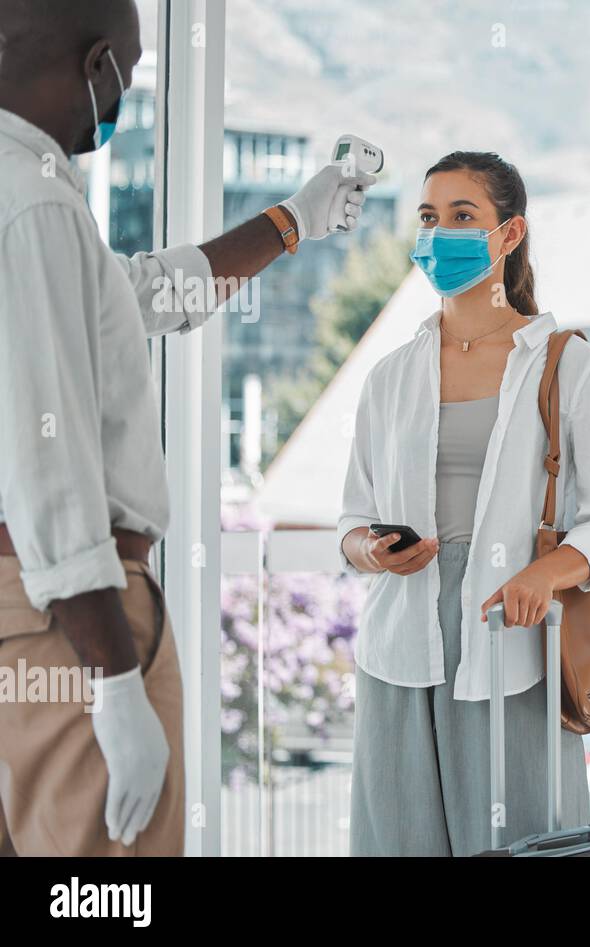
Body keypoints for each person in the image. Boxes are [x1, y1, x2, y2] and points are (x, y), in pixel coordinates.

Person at [0, 0, 374, 856]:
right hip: (66, 621)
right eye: (126, 76)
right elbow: (46, 460)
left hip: (21, 614)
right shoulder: (37, 203)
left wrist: (294, 220)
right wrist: (114, 678)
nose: (121, 95)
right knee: (105, 893)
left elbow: (146, 295)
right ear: (97, 67)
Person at [338, 151, 590, 856]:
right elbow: (351, 518)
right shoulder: (390, 375)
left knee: (522, 841)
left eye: (462, 216)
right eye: (428, 218)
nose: (439, 234)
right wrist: (371, 549)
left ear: (509, 235)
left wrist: (546, 572)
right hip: (399, 647)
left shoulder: (573, 367)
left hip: (511, 637)